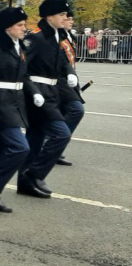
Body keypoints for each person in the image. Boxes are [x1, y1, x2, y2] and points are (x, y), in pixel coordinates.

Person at [0, 6, 40, 213]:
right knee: (20, 148)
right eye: (20, 25)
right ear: (7, 28)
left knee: (0, 149)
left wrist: (34, 91)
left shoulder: (17, 47)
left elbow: (24, 76)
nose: (24, 28)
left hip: (15, 103)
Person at [18, 0, 75, 198]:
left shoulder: (56, 36)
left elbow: (60, 62)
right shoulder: (37, 37)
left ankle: (24, 180)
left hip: (51, 92)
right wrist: (31, 91)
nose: (65, 18)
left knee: (35, 138)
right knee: (61, 134)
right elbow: (21, 67)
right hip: (38, 93)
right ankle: (35, 174)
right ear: (49, 16)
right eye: (61, 14)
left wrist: (69, 72)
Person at [56, 10, 84, 166]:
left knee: (65, 112)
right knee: (76, 110)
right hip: (60, 81)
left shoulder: (67, 37)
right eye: (68, 19)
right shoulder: (57, 37)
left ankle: (55, 148)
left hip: (69, 80)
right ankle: (54, 145)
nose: (70, 21)